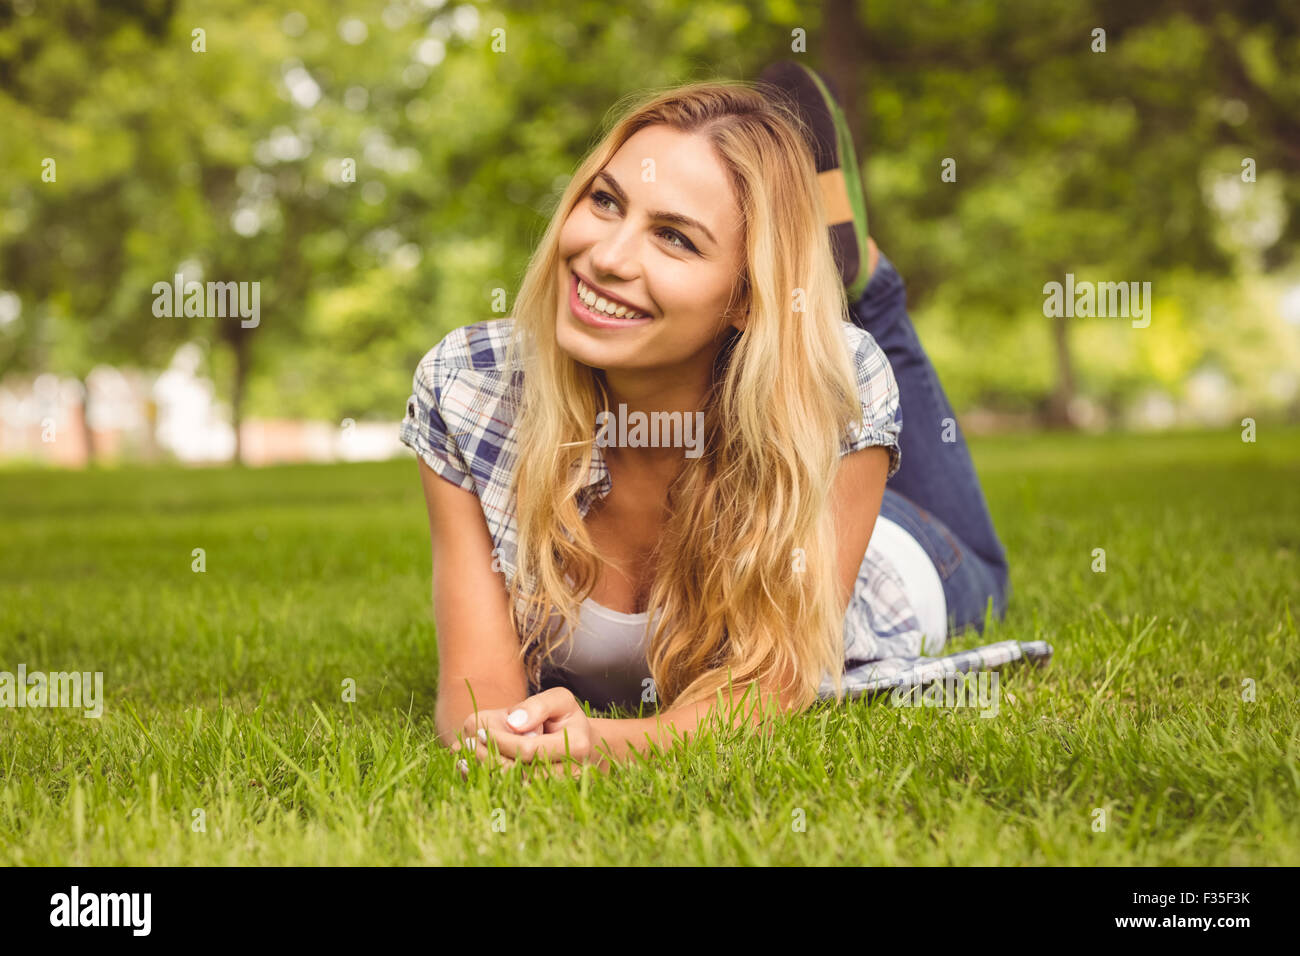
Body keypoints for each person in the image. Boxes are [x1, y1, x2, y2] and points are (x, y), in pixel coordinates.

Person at [400, 71, 1010, 780]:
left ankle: (867, 279)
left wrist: (605, 744)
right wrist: (509, 738)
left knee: (983, 566)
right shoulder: (469, 387)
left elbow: (771, 687)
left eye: (674, 238)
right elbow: (477, 697)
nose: (606, 258)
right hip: (802, 454)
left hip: (899, 553)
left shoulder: (837, 385)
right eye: (606, 201)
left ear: (747, 295)